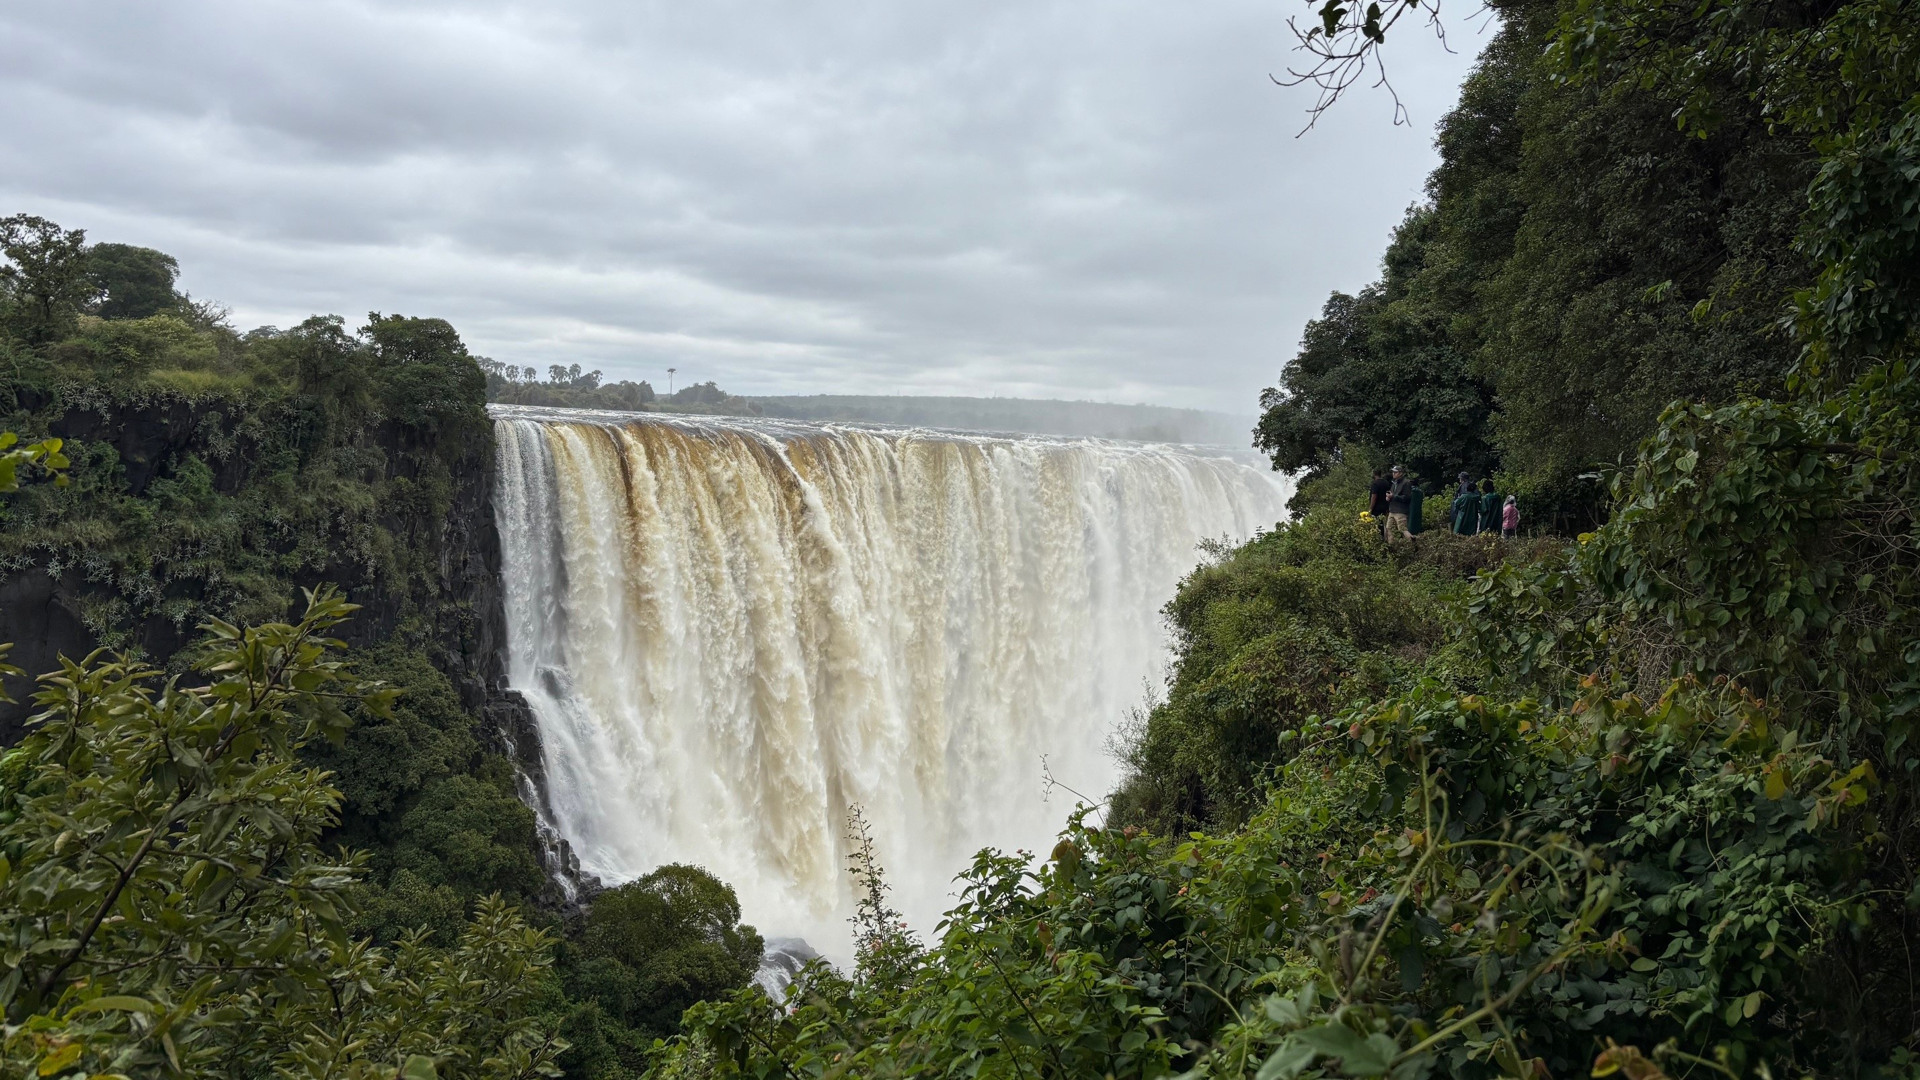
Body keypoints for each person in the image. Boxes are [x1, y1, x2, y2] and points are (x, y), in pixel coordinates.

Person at [1384, 465, 1414, 542]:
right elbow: (1392, 494)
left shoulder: (1406, 483)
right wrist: (1389, 498)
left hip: (1401, 511)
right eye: (1393, 472)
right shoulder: (1394, 483)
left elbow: (1407, 498)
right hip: (1392, 510)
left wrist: (1393, 496)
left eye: (1395, 472)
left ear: (1400, 473)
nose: (1393, 474)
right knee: (1389, 529)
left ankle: (1413, 542)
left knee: (1402, 529)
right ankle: (1392, 547)